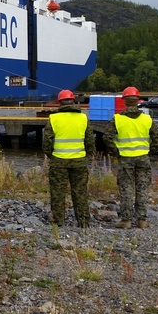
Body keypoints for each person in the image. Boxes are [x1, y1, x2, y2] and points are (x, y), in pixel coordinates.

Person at [104, 86, 158, 229]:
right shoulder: (147, 119)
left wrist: (117, 152)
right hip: (143, 158)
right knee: (142, 188)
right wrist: (149, 151)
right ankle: (142, 220)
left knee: (127, 189)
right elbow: (157, 140)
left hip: (125, 159)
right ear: (138, 101)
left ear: (124, 101)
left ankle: (126, 220)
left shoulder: (117, 119)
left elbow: (107, 138)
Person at [43, 89, 95, 228]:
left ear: (59, 102)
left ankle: (58, 221)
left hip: (58, 161)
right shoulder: (83, 118)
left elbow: (47, 142)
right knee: (80, 192)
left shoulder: (54, 118)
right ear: (73, 101)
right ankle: (83, 222)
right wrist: (87, 155)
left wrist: (51, 155)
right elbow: (90, 141)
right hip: (79, 161)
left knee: (58, 193)